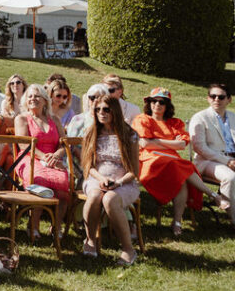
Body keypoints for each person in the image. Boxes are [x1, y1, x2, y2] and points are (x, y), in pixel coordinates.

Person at [133, 88, 227, 236]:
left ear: (167, 106)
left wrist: (155, 140)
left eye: (162, 102)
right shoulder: (142, 119)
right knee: (180, 168)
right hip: (149, 159)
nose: (157, 104)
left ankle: (177, 221)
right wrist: (170, 142)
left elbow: (182, 144)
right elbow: (145, 144)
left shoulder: (174, 123)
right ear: (149, 103)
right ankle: (212, 195)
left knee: (181, 176)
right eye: (153, 101)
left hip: (172, 161)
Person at [80, 94, 140, 265]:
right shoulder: (91, 133)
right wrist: (101, 178)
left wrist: (118, 182)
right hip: (96, 178)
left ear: (115, 111)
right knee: (95, 196)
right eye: (97, 109)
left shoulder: (129, 135)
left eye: (106, 109)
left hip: (124, 182)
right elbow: (88, 167)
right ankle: (90, 240)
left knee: (110, 199)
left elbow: (134, 171)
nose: (101, 113)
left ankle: (128, 249)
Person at [12, 83, 69, 238]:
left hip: (53, 159)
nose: (33, 99)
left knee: (65, 184)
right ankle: (33, 225)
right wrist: (44, 157)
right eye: (29, 96)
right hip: (29, 158)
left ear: (45, 100)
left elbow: (64, 143)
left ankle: (56, 227)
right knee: (40, 181)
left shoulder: (55, 120)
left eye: (37, 96)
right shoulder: (22, 118)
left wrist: (57, 154)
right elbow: (24, 144)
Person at [189, 83, 235, 224]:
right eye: (212, 96)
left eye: (221, 97)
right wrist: (226, 161)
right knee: (230, 177)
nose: (216, 99)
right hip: (207, 161)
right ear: (208, 99)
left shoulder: (233, 117)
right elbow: (200, 147)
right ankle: (234, 219)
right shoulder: (200, 117)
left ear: (229, 100)